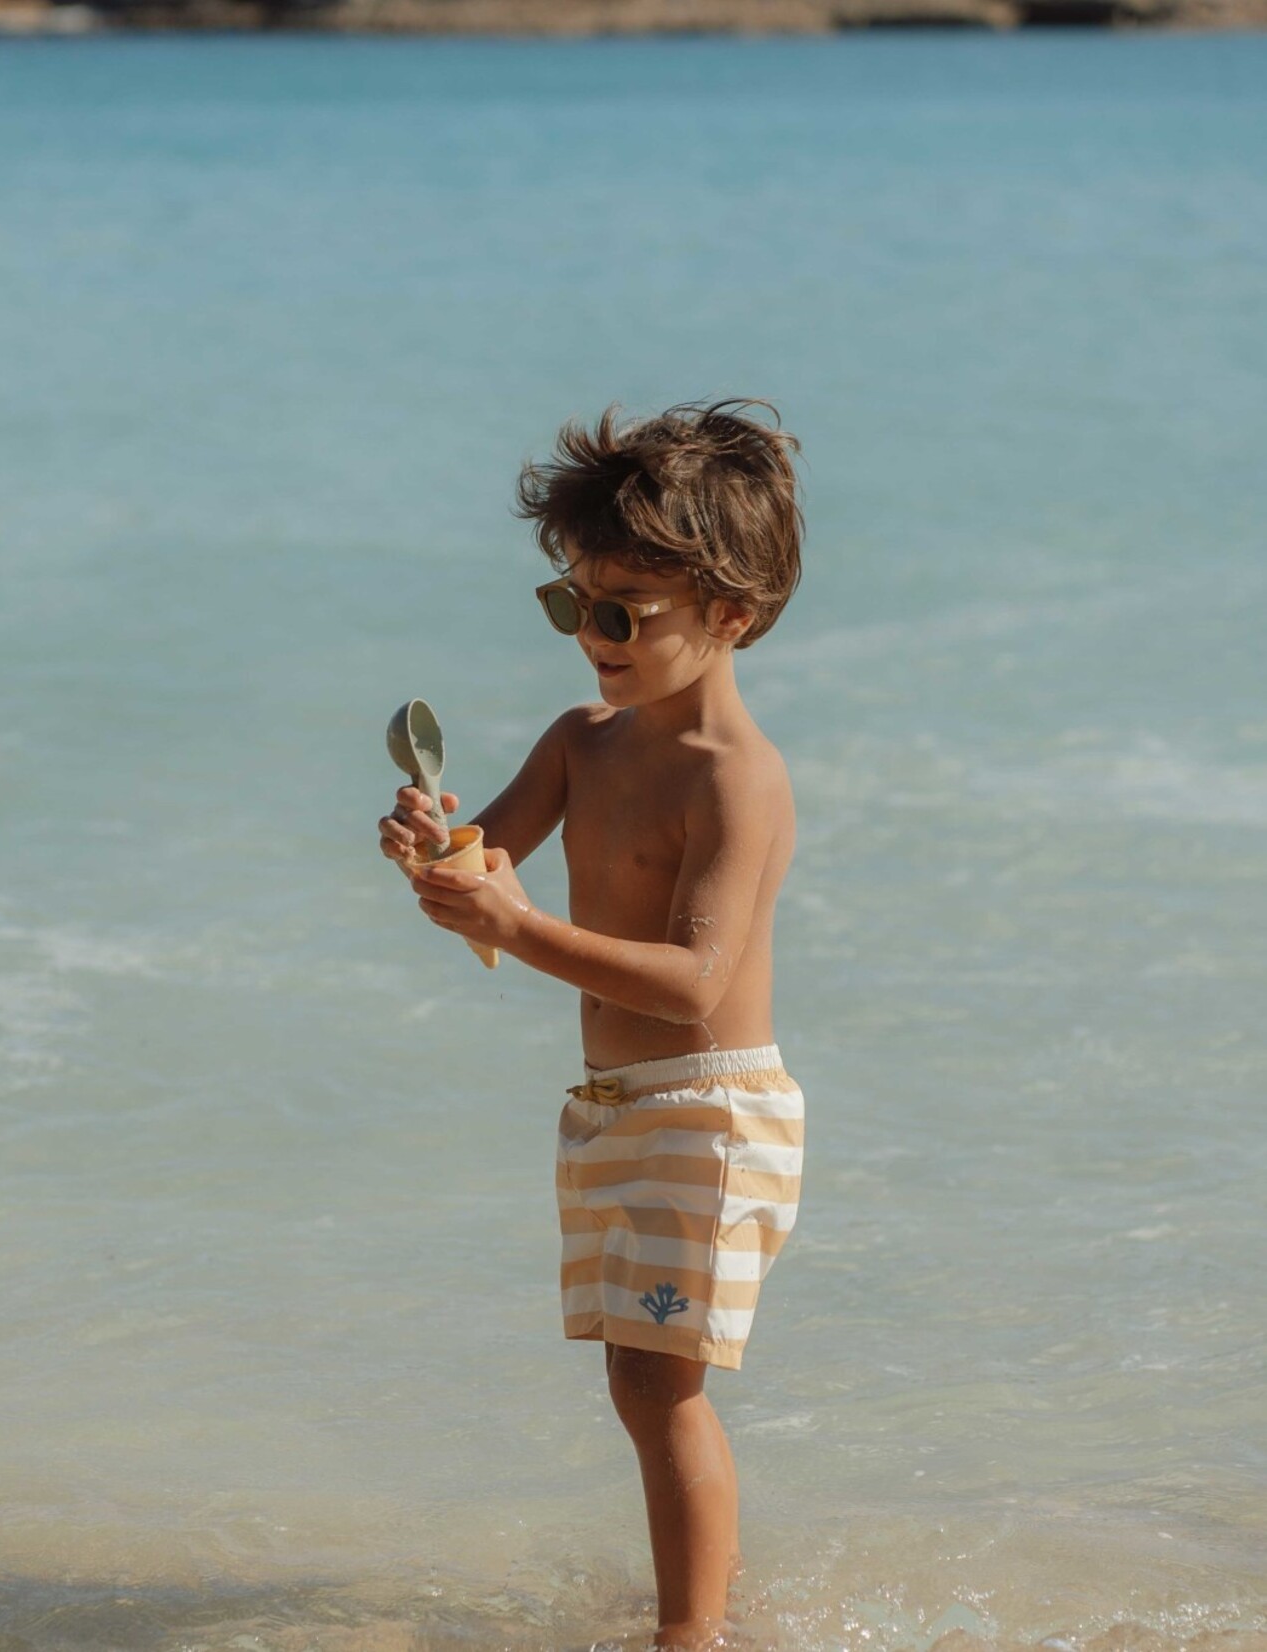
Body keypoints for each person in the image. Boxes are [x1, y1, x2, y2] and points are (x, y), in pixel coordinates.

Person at [377, 400, 807, 1648]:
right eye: (572, 604)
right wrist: (439, 859)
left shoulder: (737, 777)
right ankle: (699, 1602)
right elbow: (482, 881)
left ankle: (692, 1633)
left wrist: (507, 923)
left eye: (622, 613)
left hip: (712, 1105)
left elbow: (688, 979)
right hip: (616, 1109)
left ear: (728, 614)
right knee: (633, 1381)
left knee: (656, 1382)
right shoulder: (582, 741)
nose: (591, 638)